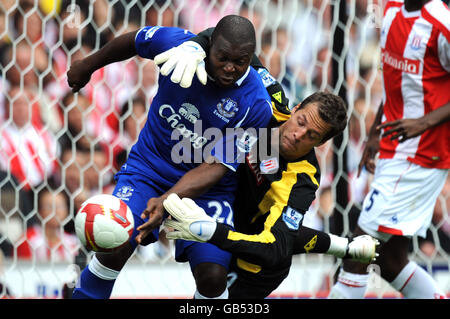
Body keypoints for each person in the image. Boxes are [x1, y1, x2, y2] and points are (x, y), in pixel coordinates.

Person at [68, 15, 274, 299]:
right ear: (209, 45)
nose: (230, 67)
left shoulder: (257, 104)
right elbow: (134, 40)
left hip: (208, 191)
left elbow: (216, 168)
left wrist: (167, 201)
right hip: (148, 171)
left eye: (240, 62)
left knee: (213, 279)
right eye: (223, 57)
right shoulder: (177, 46)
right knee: (115, 248)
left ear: (251, 58)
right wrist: (87, 65)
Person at [161, 91, 378, 299]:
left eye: (311, 135)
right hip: (225, 211)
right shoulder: (270, 103)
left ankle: (346, 247)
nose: (298, 135)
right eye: (301, 122)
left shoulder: (301, 181)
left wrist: (212, 231)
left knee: (214, 283)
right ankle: (346, 246)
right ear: (295, 109)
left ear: (321, 144)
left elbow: (274, 248)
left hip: (254, 265)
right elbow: (243, 58)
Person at [326, 0, 450, 299]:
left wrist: (424, 122)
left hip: (423, 153)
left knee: (360, 246)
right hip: (395, 145)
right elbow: (396, 81)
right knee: (391, 260)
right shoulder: (392, 11)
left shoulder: (441, 23)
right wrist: (373, 133)